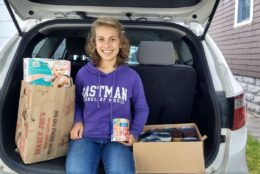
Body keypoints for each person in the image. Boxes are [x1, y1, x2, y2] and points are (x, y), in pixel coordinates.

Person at [65, 17, 149, 174]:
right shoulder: (83, 74)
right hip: (86, 136)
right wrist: (77, 121)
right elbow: (76, 102)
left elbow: (142, 108)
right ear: (94, 43)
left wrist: (134, 132)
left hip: (118, 140)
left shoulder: (131, 76)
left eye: (112, 39)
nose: (107, 45)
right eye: (101, 39)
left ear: (120, 42)